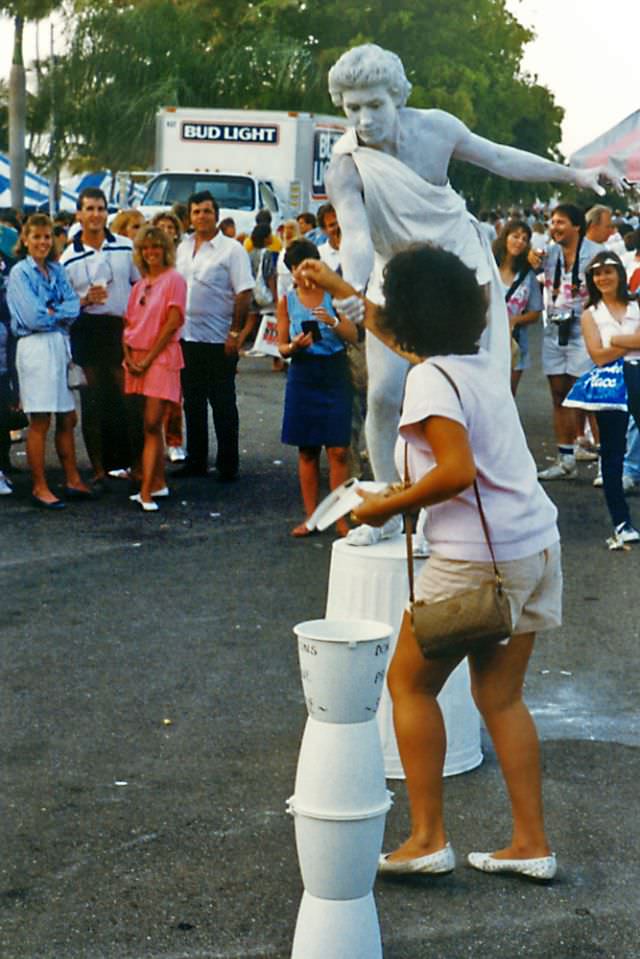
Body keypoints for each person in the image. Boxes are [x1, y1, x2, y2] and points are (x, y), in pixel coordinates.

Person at [296, 246, 561, 881]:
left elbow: (456, 472)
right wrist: (341, 288)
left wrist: (387, 507)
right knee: (502, 697)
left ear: (413, 314)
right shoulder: (475, 364)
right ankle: (531, 844)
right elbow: (405, 340)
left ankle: (426, 838)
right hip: (532, 546)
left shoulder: (429, 380)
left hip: (474, 562)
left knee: (409, 683)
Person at [325, 43, 621, 544]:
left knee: (467, 391)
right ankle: (389, 506)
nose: (365, 119)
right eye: (353, 109)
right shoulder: (346, 163)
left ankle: (455, 507)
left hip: (457, 272)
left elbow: (499, 158)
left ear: (397, 95)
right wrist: (353, 288)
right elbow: (354, 234)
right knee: (383, 396)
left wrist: (572, 174)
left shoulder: (435, 128)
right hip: (395, 275)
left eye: (375, 105)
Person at [7, 214, 91, 508]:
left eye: (47, 237)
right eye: (36, 237)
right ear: (26, 240)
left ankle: (71, 478)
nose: (42, 242)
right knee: (40, 419)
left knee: (68, 416)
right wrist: (57, 313)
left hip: (60, 346)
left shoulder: (56, 270)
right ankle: (40, 487)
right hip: (34, 347)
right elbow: (31, 316)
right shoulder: (20, 274)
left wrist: (55, 312)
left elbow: (73, 305)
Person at [60, 187, 139, 490]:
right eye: (89, 209)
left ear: (108, 213)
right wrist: (84, 300)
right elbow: (65, 305)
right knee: (92, 400)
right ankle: (98, 467)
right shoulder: (68, 258)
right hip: (87, 330)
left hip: (120, 328)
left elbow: (141, 285)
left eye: (100, 209)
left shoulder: (125, 247)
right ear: (78, 214)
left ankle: (133, 463)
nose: (95, 215)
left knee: (127, 397)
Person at [278, 239, 357, 537]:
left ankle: (340, 518)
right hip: (304, 372)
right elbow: (281, 347)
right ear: (292, 273)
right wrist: (294, 346)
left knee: (338, 449)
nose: (305, 274)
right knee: (308, 449)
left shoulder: (334, 293)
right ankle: (311, 517)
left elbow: (353, 335)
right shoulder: (288, 299)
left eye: (310, 266)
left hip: (334, 370)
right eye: (298, 270)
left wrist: (334, 321)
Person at [175, 191, 253, 480]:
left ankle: (227, 464)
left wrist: (236, 333)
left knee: (222, 403)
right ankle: (196, 461)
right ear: (190, 217)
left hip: (220, 339)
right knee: (192, 402)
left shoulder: (232, 250)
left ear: (216, 215)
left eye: (207, 211)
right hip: (187, 337)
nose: (202, 216)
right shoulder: (182, 248)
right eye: (196, 212)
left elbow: (244, 293)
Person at [533, 204, 603, 480]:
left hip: (584, 329)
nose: (554, 227)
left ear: (577, 226)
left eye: (561, 222)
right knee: (559, 395)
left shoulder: (596, 254)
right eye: (552, 222)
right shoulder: (547, 255)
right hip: (554, 330)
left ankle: (608, 463)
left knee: (590, 398)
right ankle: (565, 460)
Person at [578, 251, 640, 549]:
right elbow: (597, 355)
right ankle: (621, 521)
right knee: (613, 453)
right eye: (597, 273)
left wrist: (614, 340)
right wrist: (627, 344)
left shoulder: (636, 306)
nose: (603, 278)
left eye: (609, 271)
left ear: (619, 274)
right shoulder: (590, 314)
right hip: (611, 384)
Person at [122, 225, 186, 511]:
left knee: (151, 423)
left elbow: (172, 322)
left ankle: (146, 491)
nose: (151, 252)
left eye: (156, 247)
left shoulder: (174, 280)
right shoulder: (138, 286)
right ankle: (156, 482)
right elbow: (128, 326)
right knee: (146, 427)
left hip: (160, 358)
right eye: (146, 248)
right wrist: (130, 357)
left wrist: (147, 360)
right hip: (136, 359)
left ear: (166, 249)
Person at [492, 220, 543, 396]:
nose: (519, 241)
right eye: (515, 236)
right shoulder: (489, 267)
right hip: (485, 341)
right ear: (505, 237)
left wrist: (514, 320)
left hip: (514, 343)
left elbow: (535, 312)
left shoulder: (527, 275)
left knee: (506, 394)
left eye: (524, 238)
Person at [152, 211, 186, 462]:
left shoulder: (184, 258)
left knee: (175, 396)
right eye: (160, 227)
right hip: (150, 336)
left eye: (170, 227)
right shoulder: (146, 260)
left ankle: (175, 441)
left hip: (178, 334)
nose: (166, 231)